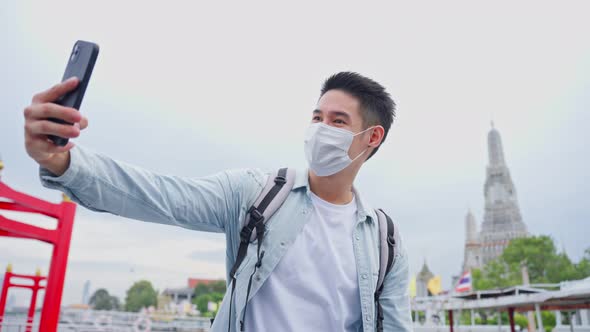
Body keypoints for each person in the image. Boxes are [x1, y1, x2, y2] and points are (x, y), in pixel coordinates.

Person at [24, 72, 411, 331]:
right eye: (316, 117)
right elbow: (162, 196)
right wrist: (64, 163)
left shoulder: (385, 244)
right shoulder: (257, 196)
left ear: (372, 137)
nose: (320, 130)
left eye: (338, 121)